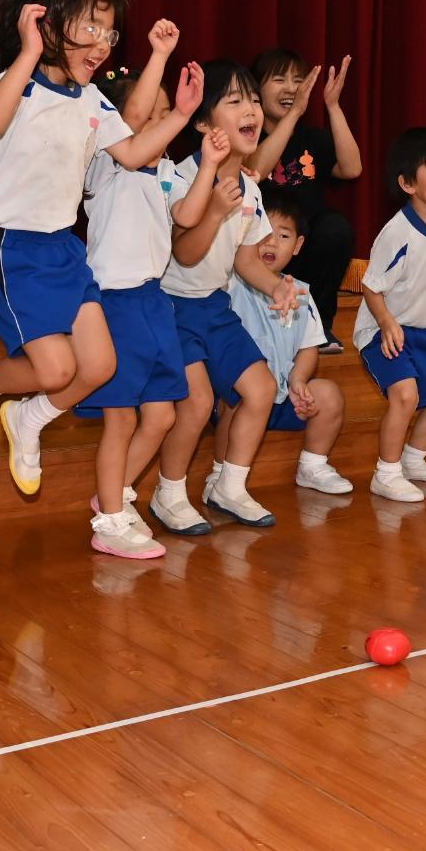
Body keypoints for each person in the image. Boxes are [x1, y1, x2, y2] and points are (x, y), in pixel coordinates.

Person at [0, 0, 176, 497]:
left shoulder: (92, 101)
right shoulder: (19, 84)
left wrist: (179, 115)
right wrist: (27, 53)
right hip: (14, 247)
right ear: (48, 26)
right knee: (54, 370)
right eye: (89, 27)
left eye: (109, 32)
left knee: (98, 366)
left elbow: (133, 152)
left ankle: (27, 419)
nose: (102, 42)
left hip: (64, 249)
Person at [152, 62, 300, 533]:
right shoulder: (179, 178)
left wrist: (278, 285)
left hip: (216, 308)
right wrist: (215, 210)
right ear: (203, 121)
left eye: (253, 100)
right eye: (234, 101)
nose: (251, 109)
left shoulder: (252, 190)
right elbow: (186, 253)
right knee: (195, 404)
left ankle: (228, 485)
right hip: (171, 307)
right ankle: (168, 492)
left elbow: (245, 258)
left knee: (260, 389)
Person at [73, 53, 210, 559]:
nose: (161, 122)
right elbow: (129, 123)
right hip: (114, 302)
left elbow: (188, 217)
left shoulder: (168, 170)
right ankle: (109, 520)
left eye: (169, 112)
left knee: (161, 416)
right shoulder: (108, 163)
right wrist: (158, 56)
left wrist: (210, 165)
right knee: (123, 418)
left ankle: (114, 496)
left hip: (154, 301)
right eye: (151, 114)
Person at [355, 127, 426, 503]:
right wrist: (387, 323)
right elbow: (371, 286)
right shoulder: (397, 233)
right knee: (405, 397)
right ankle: (385, 473)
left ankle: (413, 460)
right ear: (408, 183)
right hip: (385, 328)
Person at [211, 185, 353, 498]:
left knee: (328, 394)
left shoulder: (300, 293)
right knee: (238, 395)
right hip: (237, 398)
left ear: (299, 245)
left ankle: (313, 465)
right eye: (261, 232)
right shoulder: (230, 283)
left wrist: (299, 381)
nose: (271, 242)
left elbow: (308, 346)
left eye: (284, 235)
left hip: (282, 396)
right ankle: (220, 473)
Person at [250, 49, 362, 347]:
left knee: (335, 228)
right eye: (279, 79)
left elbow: (352, 169)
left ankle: (318, 325)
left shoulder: (312, 138)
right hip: (254, 254)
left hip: (301, 252)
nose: (290, 88)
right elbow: (256, 170)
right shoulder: (247, 135)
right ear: (257, 89)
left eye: (297, 80)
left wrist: (333, 106)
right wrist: (294, 114)